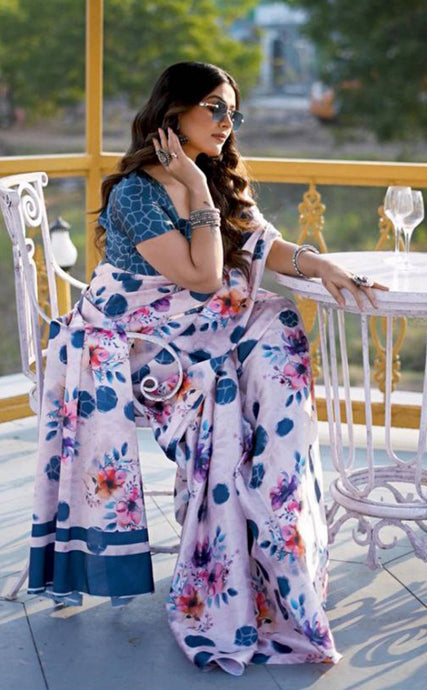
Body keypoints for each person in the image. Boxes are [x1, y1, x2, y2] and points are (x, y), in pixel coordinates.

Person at [28, 61, 387, 676]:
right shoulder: (140, 193)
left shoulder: (214, 176)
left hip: (193, 328)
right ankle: (233, 559)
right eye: (214, 108)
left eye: (232, 112)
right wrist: (194, 187)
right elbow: (201, 275)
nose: (226, 122)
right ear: (174, 112)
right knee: (227, 389)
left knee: (278, 327)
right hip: (133, 343)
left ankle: (277, 534)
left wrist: (318, 263)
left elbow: (258, 242)